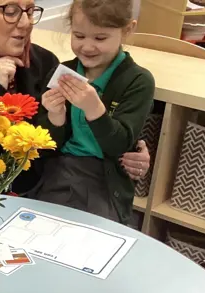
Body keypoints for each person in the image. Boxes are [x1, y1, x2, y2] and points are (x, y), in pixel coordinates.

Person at [0, 0, 151, 195]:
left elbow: (54, 139)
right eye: (11, 11)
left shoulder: (42, 63)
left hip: (38, 196)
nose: (25, 23)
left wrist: (128, 149)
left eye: (30, 10)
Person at [36, 0, 154, 223]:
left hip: (105, 178)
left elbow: (119, 144)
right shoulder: (64, 72)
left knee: (96, 238)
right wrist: (55, 116)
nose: (87, 47)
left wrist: (95, 110)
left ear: (127, 30)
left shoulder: (138, 81)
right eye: (79, 36)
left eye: (100, 38)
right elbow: (46, 147)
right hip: (60, 170)